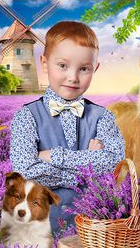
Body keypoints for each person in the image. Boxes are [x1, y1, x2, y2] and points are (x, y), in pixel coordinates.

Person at [10, 21, 125, 232]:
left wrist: (53, 156)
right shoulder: (25, 116)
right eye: (62, 65)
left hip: (93, 230)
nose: (73, 77)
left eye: (84, 69)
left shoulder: (103, 117)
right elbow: (25, 173)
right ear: (44, 64)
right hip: (38, 229)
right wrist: (87, 172)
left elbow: (114, 163)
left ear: (95, 68)